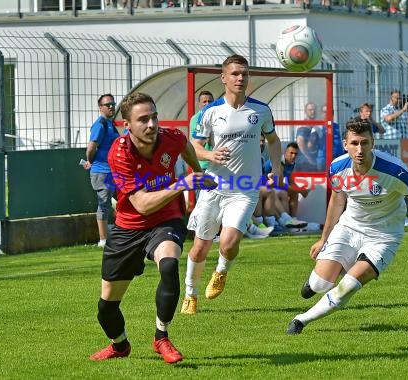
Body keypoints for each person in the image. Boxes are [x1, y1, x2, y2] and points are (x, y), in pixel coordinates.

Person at [285, 118, 408, 335]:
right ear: (345, 144)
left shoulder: (393, 170)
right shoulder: (337, 167)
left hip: (384, 235)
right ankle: (318, 281)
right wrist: (324, 239)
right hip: (349, 227)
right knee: (320, 284)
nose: (359, 149)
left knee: (349, 286)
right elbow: (337, 201)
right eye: (354, 143)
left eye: (364, 143)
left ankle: (300, 321)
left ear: (373, 143)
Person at [89, 92, 216, 363]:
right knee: (106, 308)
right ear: (128, 125)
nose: (151, 124)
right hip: (128, 227)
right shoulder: (119, 153)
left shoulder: (171, 137)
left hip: (165, 220)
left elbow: (185, 145)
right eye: (143, 119)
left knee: (169, 265)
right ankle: (120, 345)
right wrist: (183, 183)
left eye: (154, 117)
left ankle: (161, 337)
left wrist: (196, 170)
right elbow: (142, 205)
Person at [180, 54, 283, 315]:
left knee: (228, 242)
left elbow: (272, 140)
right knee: (200, 247)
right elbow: (194, 146)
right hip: (214, 187)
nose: (240, 78)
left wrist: (278, 168)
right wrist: (209, 155)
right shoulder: (211, 111)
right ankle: (190, 294)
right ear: (223, 78)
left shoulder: (261, 110)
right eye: (235, 74)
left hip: (244, 190)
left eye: (244, 74)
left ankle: (221, 271)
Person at [84, 93, 119, 248]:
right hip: (102, 171)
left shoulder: (110, 124)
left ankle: (121, 233)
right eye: (108, 105)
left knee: (125, 199)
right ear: (100, 108)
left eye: (113, 104)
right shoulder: (100, 124)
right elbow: (91, 148)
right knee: (103, 203)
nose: (111, 107)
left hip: (113, 171)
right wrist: (91, 161)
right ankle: (103, 240)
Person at [264, 142, 309, 227]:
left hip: (273, 186)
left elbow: (291, 182)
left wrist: (301, 189)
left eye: (295, 154)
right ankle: (286, 219)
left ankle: (293, 219)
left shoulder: (292, 164)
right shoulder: (279, 162)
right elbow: (280, 184)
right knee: (283, 193)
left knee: (293, 193)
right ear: (285, 152)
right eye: (291, 153)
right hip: (264, 185)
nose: (293, 156)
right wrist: (300, 191)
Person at [189, 90, 215, 172]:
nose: (207, 103)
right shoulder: (196, 119)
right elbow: (195, 143)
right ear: (199, 104)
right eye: (204, 101)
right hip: (202, 165)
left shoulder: (218, 116)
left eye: (210, 101)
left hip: (217, 164)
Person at [295, 101, 324, 171]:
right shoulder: (304, 126)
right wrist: (309, 158)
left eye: (314, 109)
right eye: (310, 110)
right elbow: (300, 141)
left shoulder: (315, 125)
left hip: (314, 160)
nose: (312, 111)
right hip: (304, 163)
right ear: (305, 111)